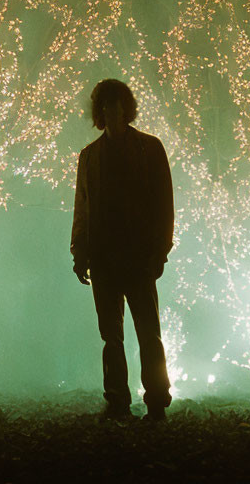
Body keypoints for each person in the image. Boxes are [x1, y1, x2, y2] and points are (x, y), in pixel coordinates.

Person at [70, 79, 174, 421]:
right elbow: (82, 209)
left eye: (114, 105)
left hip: (135, 258)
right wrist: (80, 253)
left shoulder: (141, 149)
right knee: (116, 335)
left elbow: (163, 205)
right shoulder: (92, 156)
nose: (110, 112)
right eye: (106, 106)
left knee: (144, 333)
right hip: (107, 258)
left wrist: (159, 251)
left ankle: (148, 400)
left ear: (124, 108)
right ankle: (125, 400)